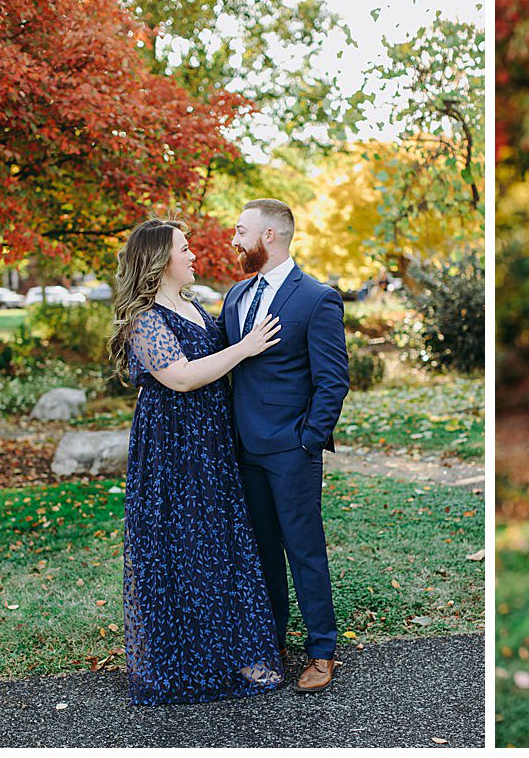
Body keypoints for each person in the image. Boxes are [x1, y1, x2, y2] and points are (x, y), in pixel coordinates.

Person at [109, 219, 285, 704]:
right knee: (183, 547)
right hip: (173, 446)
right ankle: (188, 660)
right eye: (184, 249)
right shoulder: (144, 317)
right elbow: (181, 378)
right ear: (161, 261)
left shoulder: (189, 303)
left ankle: (232, 651)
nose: (192, 255)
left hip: (211, 440)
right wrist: (244, 348)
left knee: (220, 541)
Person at [223, 199, 351, 693]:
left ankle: (322, 650)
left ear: (270, 236)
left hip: (291, 451)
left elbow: (333, 382)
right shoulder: (234, 297)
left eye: (241, 231)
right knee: (262, 554)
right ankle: (271, 642)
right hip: (243, 449)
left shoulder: (316, 298)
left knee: (304, 551)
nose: (235, 241)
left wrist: (307, 441)